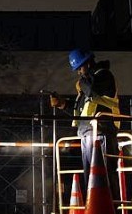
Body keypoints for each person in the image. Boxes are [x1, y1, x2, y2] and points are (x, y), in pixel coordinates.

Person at [49, 49, 121, 202]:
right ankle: (95, 213)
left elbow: (93, 91)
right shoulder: (88, 81)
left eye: (80, 68)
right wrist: (63, 104)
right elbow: (82, 111)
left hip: (102, 132)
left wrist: (83, 82)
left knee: (105, 174)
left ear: (88, 63)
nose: (78, 73)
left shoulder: (104, 76)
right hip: (88, 134)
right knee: (92, 177)